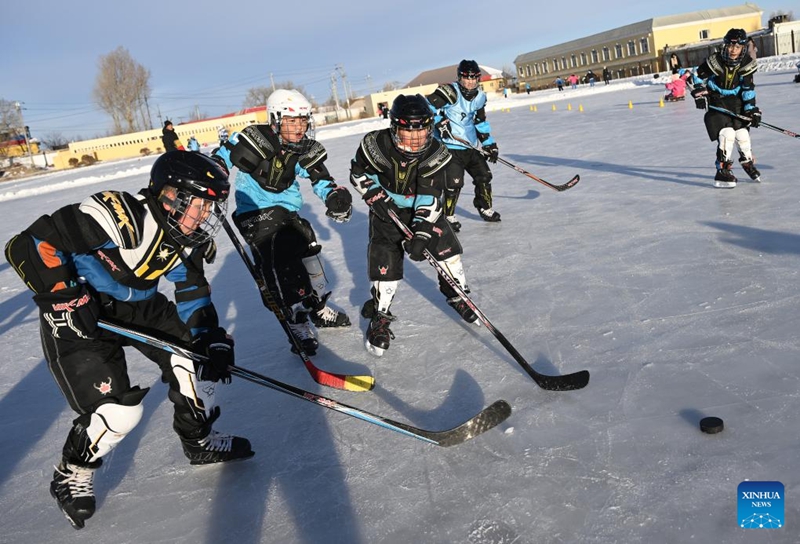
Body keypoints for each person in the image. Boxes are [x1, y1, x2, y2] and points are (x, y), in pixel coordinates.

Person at [2, 151, 253, 529]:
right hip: (78, 310)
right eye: (200, 205)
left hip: (137, 305)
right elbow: (28, 243)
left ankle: (197, 441)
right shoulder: (124, 216)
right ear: (171, 196)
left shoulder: (187, 235)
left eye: (209, 206)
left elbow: (191, 288)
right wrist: (63, 296)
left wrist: (207, 336)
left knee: (196, 364)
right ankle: (72, 470)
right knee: (118, 413)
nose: (205, 216)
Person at [213, 89, 352, 355]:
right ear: (275, 120)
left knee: (308, 246)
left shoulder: (300, 148)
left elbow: (319, 177)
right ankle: (295, 318)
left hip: (285, 212)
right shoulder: (254, 140)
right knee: (281, 257)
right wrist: (212, 175)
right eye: (292, 121)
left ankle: (318, 307)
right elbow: (222, 156)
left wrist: (333, 196)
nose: (299, 127)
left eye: (302, 121)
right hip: (253, 212)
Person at [349, 94, 478, 356]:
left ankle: (457, 294)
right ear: (395, 127)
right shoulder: (374, 144)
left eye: (422, 130)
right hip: (386, 209)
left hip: (422, 209)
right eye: (409, 132)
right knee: (385, 263)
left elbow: (430, 194)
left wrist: (422, 231)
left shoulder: (436, 152)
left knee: (449, 253)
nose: (417, 138)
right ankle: (380, 316)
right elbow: (358, 172)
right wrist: (373, 193)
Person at [426, 59, 501, 231]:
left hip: (470, 145)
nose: (470, 81)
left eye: (474, 78)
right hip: (450, 145)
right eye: (467, 78)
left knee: (484, 176)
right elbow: (427, 106)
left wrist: (489, 144)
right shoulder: (449, 91)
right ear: (460, 77)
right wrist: (439, 122)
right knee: (454, 183)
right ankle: (448, 215)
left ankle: (484, 207)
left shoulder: (480, 97)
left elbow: (480, 122)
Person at [691, 28, 761, 187]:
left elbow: (748, 90)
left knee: (742, 134)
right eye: (730, 46)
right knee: (727, 134)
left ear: (743, 48)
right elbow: (695, 76)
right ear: (725, 45)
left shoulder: (746, 64)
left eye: (737, 47)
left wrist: (751, 110)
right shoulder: (715, 61)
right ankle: (722, 170)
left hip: (736, 104)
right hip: (717, 102)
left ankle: (747, 163)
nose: (733, 50)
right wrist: (700, 94)